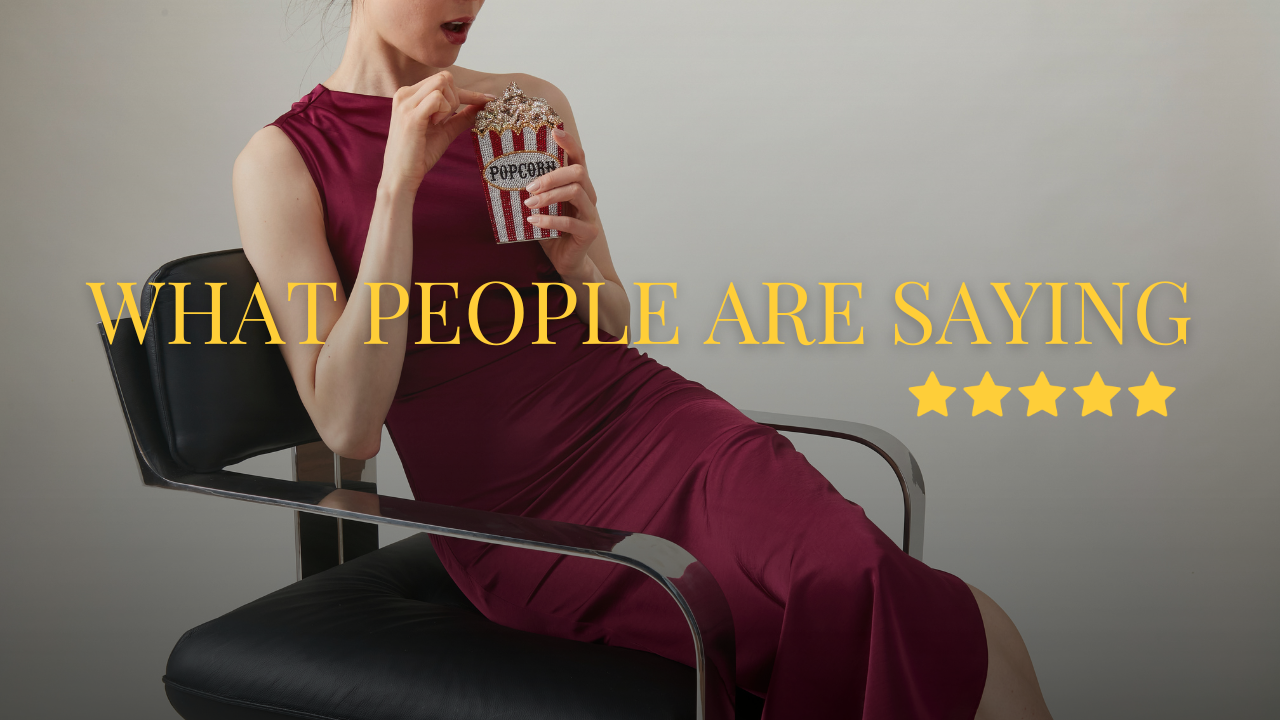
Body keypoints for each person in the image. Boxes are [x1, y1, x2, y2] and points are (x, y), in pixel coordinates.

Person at [232, 1, 1054, 717]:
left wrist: (575, 264)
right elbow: (348, 422)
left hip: (656, 424)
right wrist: (395, 187)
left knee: (903, 594)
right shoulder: (282, 160)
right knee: (926, 619)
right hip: (517, 514)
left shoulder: (523, 104)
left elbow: (613, 320)